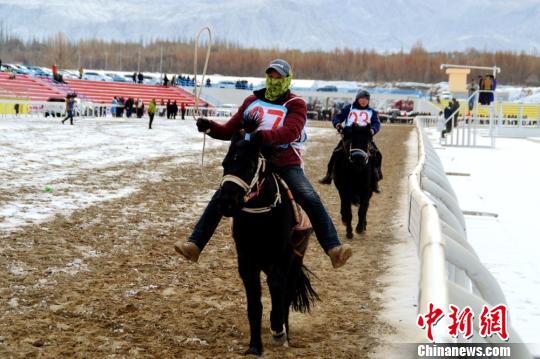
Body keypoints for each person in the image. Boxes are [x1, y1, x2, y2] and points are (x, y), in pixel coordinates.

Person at [174, 59, 353, 268]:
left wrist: (262, 137)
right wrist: (210, 127)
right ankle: (195, 245)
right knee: (224, 193)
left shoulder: (296, 104)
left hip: (283, 160)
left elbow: (290, 132)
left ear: (287, 79)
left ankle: (333, 248)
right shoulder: (252, 100)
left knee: (309, 196)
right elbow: (229, 129)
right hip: (251, 161)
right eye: (271, 76)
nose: (274, 80)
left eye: (278, 77)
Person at [318, 90, 383, 193]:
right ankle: (328, 175)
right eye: (361, 99)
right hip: (349, 136)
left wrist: (372, 130)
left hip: (365, 137)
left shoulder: (372, 112)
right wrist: (338, 125)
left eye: (366, 99)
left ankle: (375, 179)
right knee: (336, 152)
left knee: (378, 155)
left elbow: (376, 123)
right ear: (357, 99)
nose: (363, 101)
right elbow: (337, 117)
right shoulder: (349, 108)